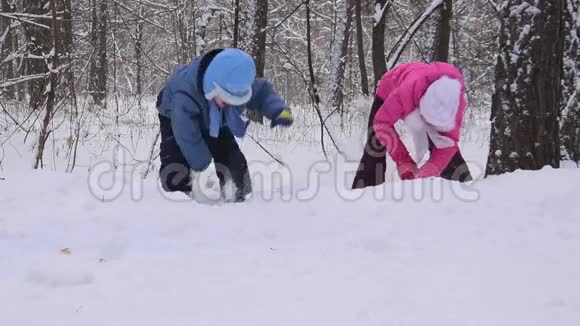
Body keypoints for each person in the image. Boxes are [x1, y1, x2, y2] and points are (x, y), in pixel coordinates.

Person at [156, 48, 293, 202]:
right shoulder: (184, 95)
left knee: (230, 153)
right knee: (176, 159)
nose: (231, 103)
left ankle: (237, 190)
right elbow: (186, 134)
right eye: (228, 98)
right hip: (174, 114)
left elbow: (262, 93)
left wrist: (278, 110)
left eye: (236, 100)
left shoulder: (236, 83)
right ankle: (177, 196)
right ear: (213, 86)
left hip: (215, 116)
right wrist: (201, 162)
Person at [352, 61, 472, 189]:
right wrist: (404, 161)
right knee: (375, 143)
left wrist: (427, 172)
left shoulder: (455, 106)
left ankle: (463, 186)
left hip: (419, 88)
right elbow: (382, 123)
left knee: (444, 145)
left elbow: (448, 144)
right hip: (390, 86)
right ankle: (363, 191)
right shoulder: (404, 93)